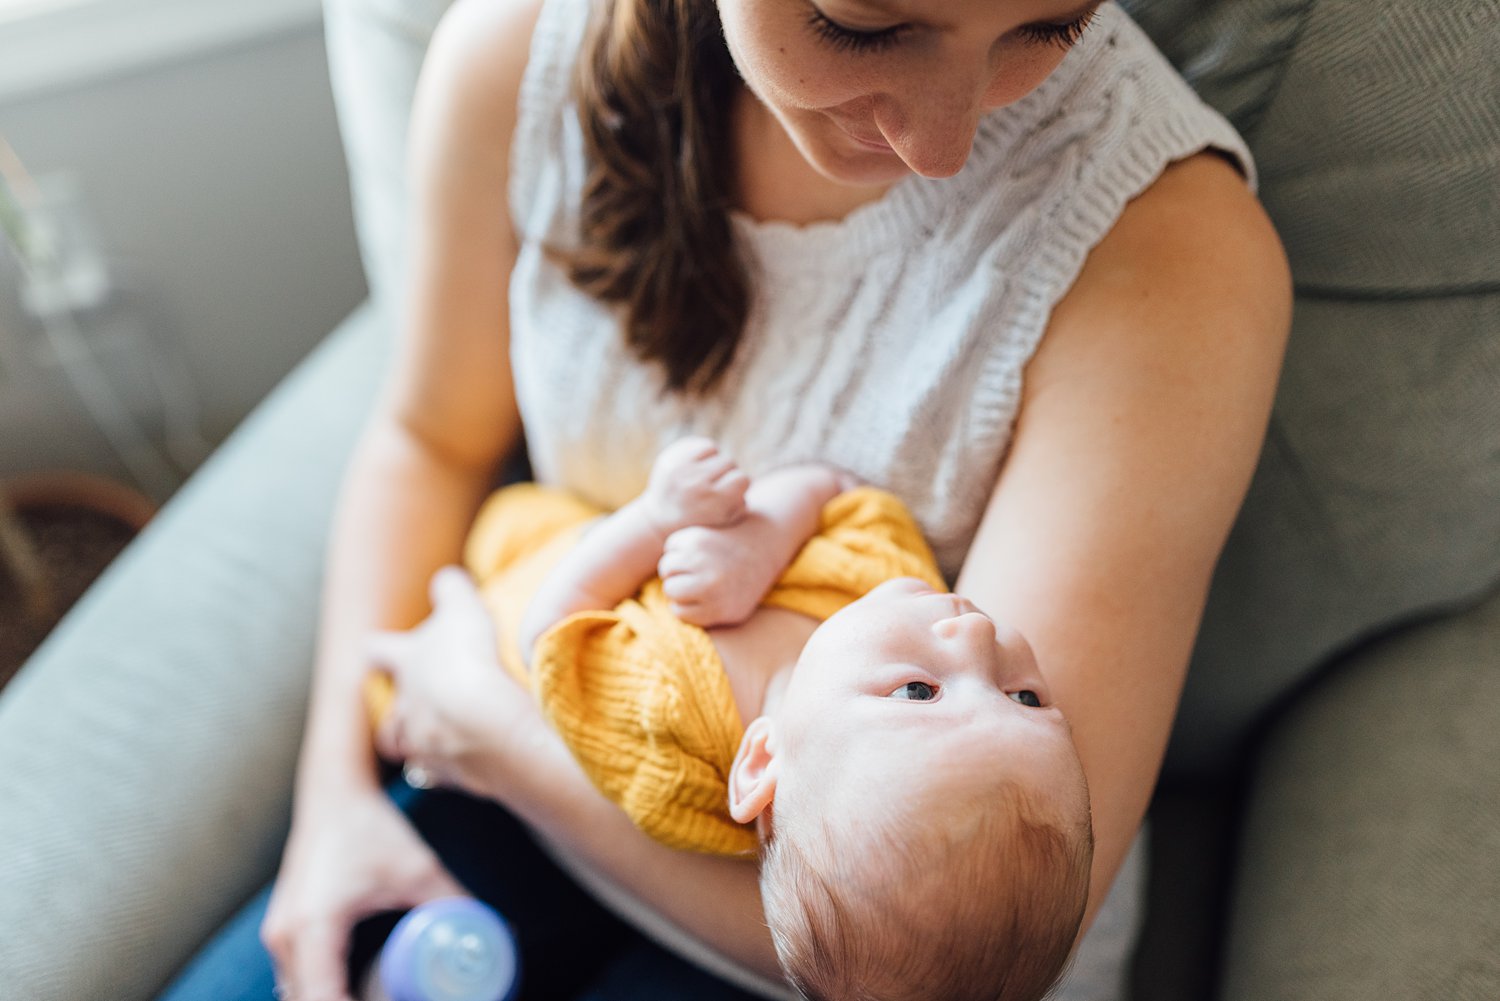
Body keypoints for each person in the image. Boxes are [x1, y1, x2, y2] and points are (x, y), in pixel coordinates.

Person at [158, 0, 1291, 996]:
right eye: (864, 23)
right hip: (517, 761)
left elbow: (954, 933)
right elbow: (429, 441)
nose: (942, 143)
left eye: (1049, 28)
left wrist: (504, 741)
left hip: (852, 949)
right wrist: (334, 805)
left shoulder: (1171, 255)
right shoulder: (517, 59)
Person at [366, 435, 1093, 999]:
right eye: (1024, 698)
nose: (974, 637)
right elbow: (838, 492)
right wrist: (763, 538)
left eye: (918, 693)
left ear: (761, 762)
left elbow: (554, 633)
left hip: (501, 603)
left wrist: (655, 519)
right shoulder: (883, 595)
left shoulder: (672, 738)